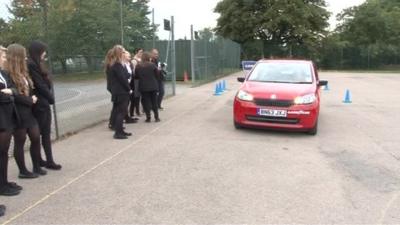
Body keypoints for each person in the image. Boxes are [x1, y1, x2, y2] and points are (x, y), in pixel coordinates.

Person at [7, 44, 46, 178]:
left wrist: (32, 97)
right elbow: (14, 94)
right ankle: (23, 171)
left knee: (35, 137)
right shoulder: (8, 74)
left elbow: (29, 89)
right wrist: (30, 100)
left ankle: (36, 166)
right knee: (20, 140)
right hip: (18, 112)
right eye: (23, 55)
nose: (25, 57)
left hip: (29, 111)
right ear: (17, 56)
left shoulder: (24, 72)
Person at [28, 41, 61, 170]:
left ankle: (49, 160)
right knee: (38, 135)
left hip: (44, 102)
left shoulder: (39, 64)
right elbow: (39, 84)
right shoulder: (31, 64)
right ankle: (38, 161)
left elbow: (44, 82)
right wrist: (50, 97)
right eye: (43, 51)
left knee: (46, 133)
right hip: (39, 104)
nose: (45, 54)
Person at [0, 45, 22, 196]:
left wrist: (9, 93)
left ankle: (4, 182)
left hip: (7, 116)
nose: (4, 58)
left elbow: (14, 89)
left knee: (3, 152)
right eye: (2, 55)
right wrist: (7, 95)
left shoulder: (3, 73)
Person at [106, 45, 132, 139]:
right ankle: (118, 133)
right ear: (119, 53)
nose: (124, 53)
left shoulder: (117, 64)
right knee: (121, 112)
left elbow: (125, 75)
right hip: (120, 92)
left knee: (120, 111)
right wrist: (129, 89)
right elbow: (123, 79)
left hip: (119, 91)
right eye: (123, 52)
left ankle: (120, 130)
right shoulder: (116, 65)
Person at [135, 52, 160, 122]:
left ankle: (148, 117)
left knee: (146, 102)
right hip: (153, 86)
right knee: (154, 101)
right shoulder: (152, 65)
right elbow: (157, 75)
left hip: (143, 86)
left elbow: (136, 76)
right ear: (149, 58)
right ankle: (156, 117)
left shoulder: (138, 66)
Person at [130, 48, 143, 117]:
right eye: (140, 52)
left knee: (139, 96)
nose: (141, 53)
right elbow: (134, 72)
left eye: (142, 52)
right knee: (136, 96)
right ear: (136, 52)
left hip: (140, 80)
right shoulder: (134, 61)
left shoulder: (141, 60)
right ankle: (136, 111)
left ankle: (138, 110)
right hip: (136, 80)